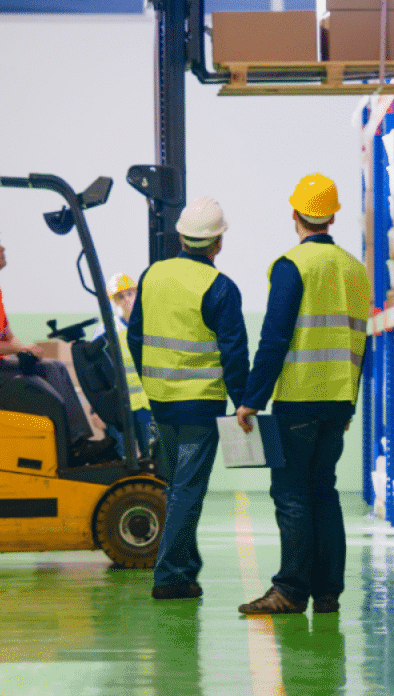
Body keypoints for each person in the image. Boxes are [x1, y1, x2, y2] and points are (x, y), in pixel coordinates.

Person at [235, 173, 370, 615]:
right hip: (337, 403)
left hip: (297, 400)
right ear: (331, 216)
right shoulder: (355, 269)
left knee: (291, 494)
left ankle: (290, 590)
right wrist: (349, 401)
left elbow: (274, 339)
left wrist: (252, 398)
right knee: (324, 493)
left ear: (295, 214)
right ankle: (327, 592)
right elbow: (360, 340)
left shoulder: (291, 266)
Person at [128, 196, 249, 600]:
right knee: (186, 488)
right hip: (200, 404)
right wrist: (243, 402)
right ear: (218, 243)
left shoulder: (152, 276)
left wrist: (151, 383)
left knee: (177, 485)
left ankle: (185, 566)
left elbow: (135, 334)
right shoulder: (221, 288)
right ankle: (170, 576)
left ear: (180, 236)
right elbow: (234, 353)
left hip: (161, 401)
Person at [0, 221, 118, 466]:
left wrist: (26, 349)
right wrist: (17, 350)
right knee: (48, 372)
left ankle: (75, 443)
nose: (2, 248)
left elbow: (8, 335)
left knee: (53, 367)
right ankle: (76, 444)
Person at [101, 272, 154, 458]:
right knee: (122, 453)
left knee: (148, 448)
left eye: (130, 294)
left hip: (144, 403)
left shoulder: (148, 325)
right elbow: (99, 369)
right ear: (114, 301)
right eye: (120, 296)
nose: (126, 300)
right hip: (119, 403)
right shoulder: (107, 330)